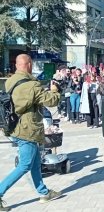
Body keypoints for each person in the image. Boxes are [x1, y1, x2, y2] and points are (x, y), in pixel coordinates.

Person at [0, 54, 62, 211]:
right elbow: (51, 101)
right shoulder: (31, 85)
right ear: (28, 65)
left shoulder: (10, 81)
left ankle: (44, 192)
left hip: (14, 126)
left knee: (35, 163)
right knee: (25, 165)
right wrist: (55, 90)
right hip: (28, 130)